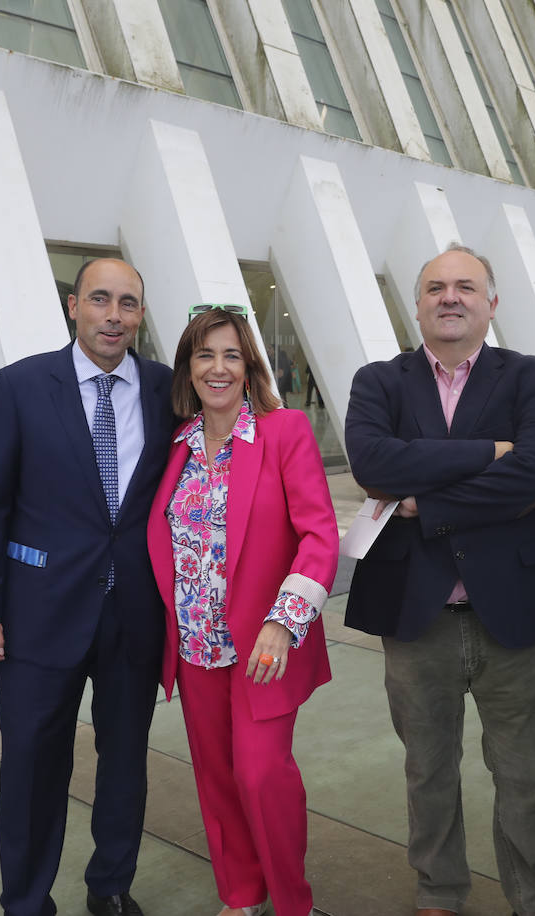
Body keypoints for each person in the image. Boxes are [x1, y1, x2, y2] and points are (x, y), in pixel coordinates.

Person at [344, 244, 535, 916]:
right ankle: (440, 891)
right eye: (436, 287)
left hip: (514, 611)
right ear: (416, 307)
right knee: (428, 769)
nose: (450, 297)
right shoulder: (379, 381)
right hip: (416, 615)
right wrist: (488, 454)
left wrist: (426, 500)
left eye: (466, 286)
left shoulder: (531, 378)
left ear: (491, 304)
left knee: (529, 776)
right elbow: (374, 463)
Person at [0, 258, 177, 916]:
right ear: (75, 306)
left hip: (135, 611)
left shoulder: (169, 390)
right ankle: (26, 900)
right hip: (37, 613)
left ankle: (110, 885)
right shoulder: (23, 385)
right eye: (101, 300)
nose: (114, 315)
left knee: (125, 760)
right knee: (31, 762)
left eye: (129, 304)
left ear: (141, 315)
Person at [146, 305, 338, 916]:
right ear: (189, 368)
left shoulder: (284, 432)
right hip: (196, 645)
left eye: (232, 355)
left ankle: (292, 902)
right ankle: (241, 893)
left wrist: (284, 623)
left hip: (263, 647)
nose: (219, 368)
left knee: (261, 774)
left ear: (250, 366)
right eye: (205, 355)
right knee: (217, 776)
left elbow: (319, 536)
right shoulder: (175, 446)